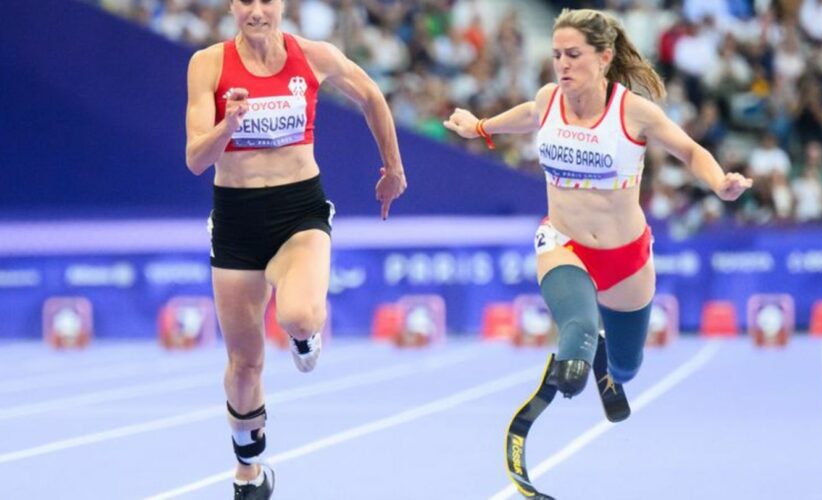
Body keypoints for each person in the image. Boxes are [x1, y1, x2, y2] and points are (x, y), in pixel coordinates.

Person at [444, 5, 751, 435]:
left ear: (604, 57)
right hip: (563, 244)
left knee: (625, 368)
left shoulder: (634, 113)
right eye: (557, 55)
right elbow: (528, 115)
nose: (563, 65)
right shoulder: (549, 99)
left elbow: (692, 152)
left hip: (625, 258)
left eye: (574, 55)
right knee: (578, 338)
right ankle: (582, 350)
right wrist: (479, 126)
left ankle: (610, 358)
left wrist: (720, 183)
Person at [185, 0, 407, 498]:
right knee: (245, 365)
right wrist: (228, 125)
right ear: (232, 7)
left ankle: (307, 335)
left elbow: (371, 95)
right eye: (244, 1)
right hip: (236, 222)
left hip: (298, 213)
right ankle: (250, 471)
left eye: (266, 0)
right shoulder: (209, 64)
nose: (256, 10)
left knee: (300, 316)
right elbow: (196, 159)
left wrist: (393, 169)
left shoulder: (314, 56)